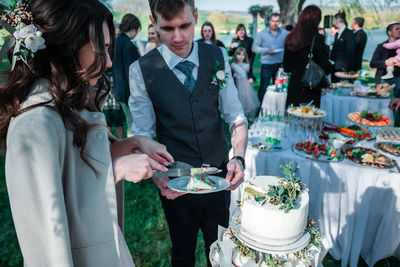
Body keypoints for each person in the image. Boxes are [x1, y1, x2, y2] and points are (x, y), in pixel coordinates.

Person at [0, 0, 171, 266]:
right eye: (101, 49)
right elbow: (48, 238)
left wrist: (130, 144)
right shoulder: (33, 127)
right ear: (69, 46)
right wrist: (117, 170)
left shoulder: (68, 106)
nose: (110, 61)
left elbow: (75, 167)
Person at [129, 0, 248, 266]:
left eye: (185, 25)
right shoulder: (141, 71)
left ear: (195, 15)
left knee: (221, 251)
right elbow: (143, 133)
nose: (178, 37)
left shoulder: (218, 56)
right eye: (167, 28)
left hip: (219, 176)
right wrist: (157, 174)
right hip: (176, 182)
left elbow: (235, 114)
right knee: (182, 252)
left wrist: (238, 158)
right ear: (153, 22)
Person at [283, 5, 332, 108]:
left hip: (294, 85)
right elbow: (325, 66)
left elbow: (286, 67)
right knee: (310, 121)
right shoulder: (317, 39)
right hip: (311, 86)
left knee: (293, 118)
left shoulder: (290, 38)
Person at [113, 13, 141, 137]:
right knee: (133, 124)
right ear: (134, 29)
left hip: (118, 89)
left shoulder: (116, 42)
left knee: (129, 122)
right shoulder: (129, 46)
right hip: (130, 92)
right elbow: (134, 73)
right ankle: (133, 152)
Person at [252, 13, 288, 102]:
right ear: (269, 21)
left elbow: (288, 47)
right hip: (267, 65)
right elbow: (254, 48)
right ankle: (262, 109)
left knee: (279, 88)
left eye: (277, 21)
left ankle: (277, 108)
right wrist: (266, 50)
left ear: (279, 22)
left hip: (280, 66)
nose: (275, 23)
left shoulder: (284, 33)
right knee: (264, 88)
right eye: (273, 21)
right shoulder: (262, 34)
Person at [231, 48, 260, 119]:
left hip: (246, 85)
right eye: (239, 54)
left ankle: (248, 113)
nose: (241, 56)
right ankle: (237, 114)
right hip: (236, 85)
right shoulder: (233, 65)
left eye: (243, 55)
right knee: (237, 97)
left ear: (245, 56)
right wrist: (233, 75)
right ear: (235, 55)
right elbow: (229, 76)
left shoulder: (247, 65)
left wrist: (251, 78)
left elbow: (250, 74)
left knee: (247, 98)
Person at [370, 23, 400, 88]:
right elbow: (372, 63)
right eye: (397, 29)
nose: (399, 30)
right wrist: (386, 62)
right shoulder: (381, 46)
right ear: (389, 32)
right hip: (383, 79)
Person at [330, 12, 356, 81]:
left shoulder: (349, 33)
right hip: (336, 68)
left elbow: (350, 51)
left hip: (344, 70)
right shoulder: (337, 34)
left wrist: (344, 68)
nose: (332, 22)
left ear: (338, 20)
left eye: (333, 20)